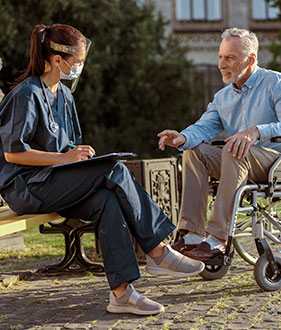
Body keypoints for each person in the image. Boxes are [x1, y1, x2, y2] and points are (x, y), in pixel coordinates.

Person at [0, 24, 204, 316]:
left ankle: (121, 293)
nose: (80, 67)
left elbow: (69, 147)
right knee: (116, 170)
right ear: (58, 60)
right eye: (78, 61)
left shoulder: (65, 97)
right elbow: (13, 152)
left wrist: (79, 158)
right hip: (26, 187)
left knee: (107, 201)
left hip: (56, 182)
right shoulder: (26, 94)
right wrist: (66, 159)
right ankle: (158, 251)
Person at [157, 27, 281, 261]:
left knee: (234, 147)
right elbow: (204, 126)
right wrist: (183, 137)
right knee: (193, 152)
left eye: (230, 58)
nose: (221, 65)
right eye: (220, 57)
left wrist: (257, 131)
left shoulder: (276, 82)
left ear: (251, 59)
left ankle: (218, 238)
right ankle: (193, 235)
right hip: (240, 161)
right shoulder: (223, 97)